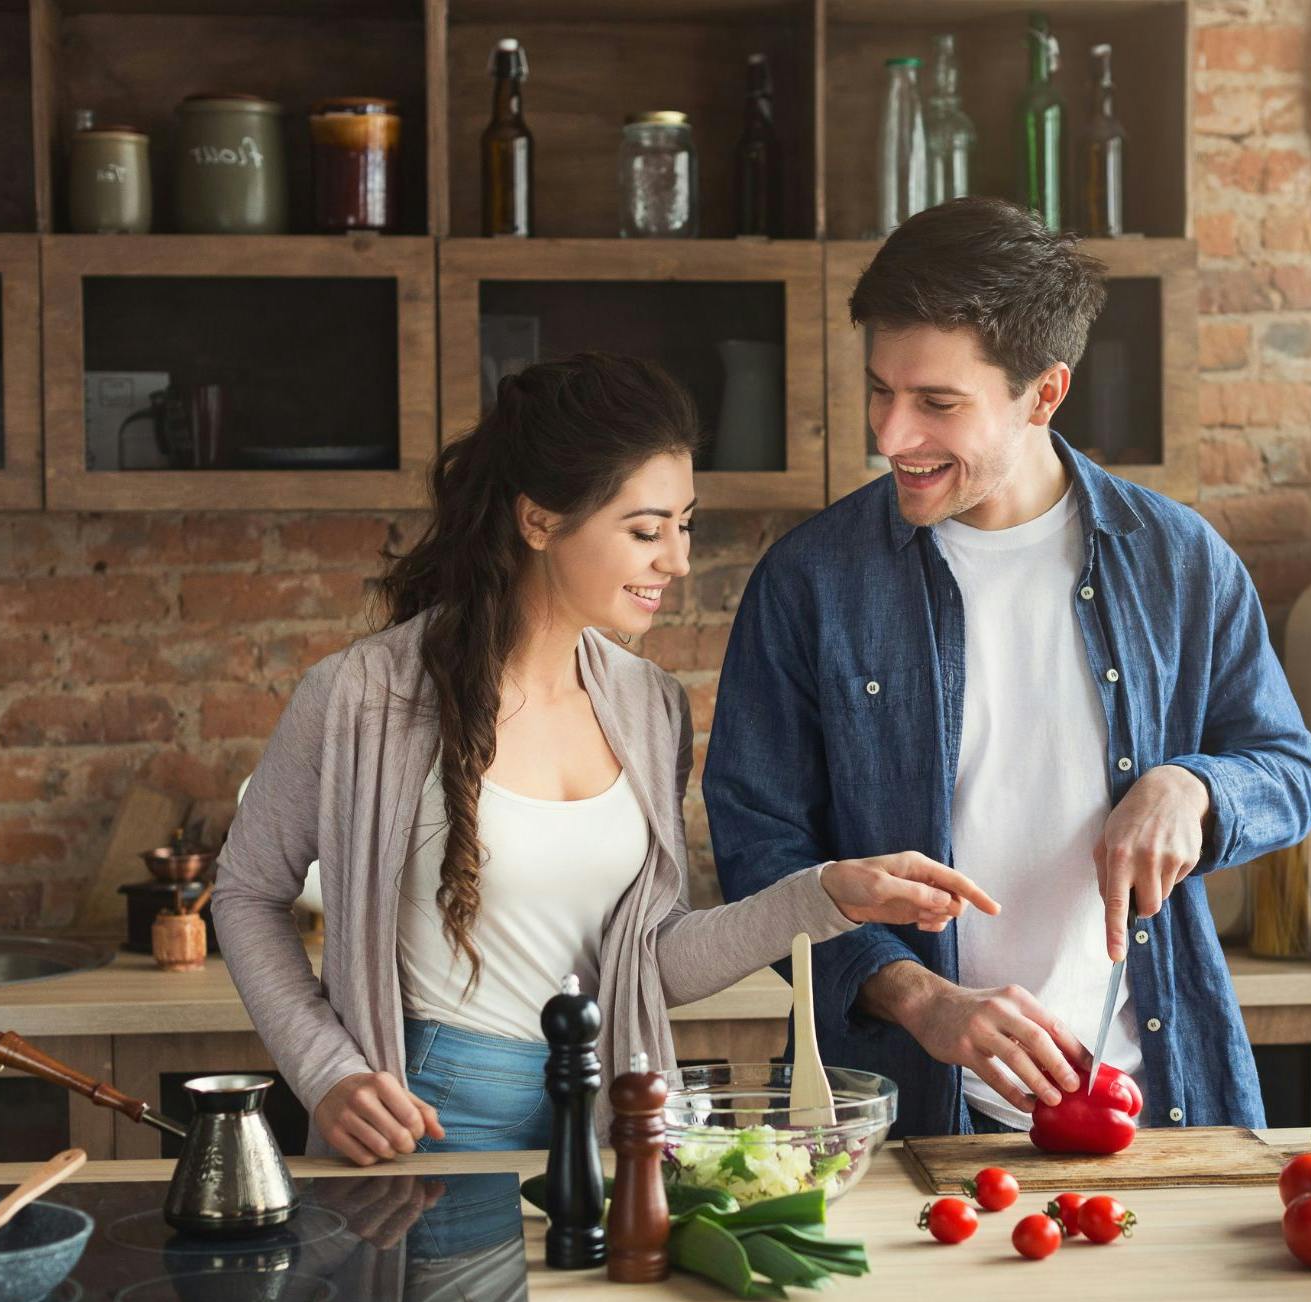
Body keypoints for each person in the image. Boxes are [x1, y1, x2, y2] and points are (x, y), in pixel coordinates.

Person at [214, 353, 995, 1164]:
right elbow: (245, 893)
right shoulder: (361, 696)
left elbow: (647, 963)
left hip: (612, 1119)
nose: (678, 560)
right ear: (540, 521)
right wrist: (326, 1071)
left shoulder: (648, 706)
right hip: (430, 1118)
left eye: (683, 524)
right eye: (645, 530)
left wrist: (825, 895)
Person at [704, 198, 1311, 1139]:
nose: (891, 435)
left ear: (1043, 394)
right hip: (903, 1115)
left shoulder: (1178, 562)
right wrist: (917, 997)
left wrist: (1191, 788)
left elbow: (1288, 771)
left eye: (937, 404)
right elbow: (760, 850)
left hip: (1152, 1102)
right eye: (880, 390)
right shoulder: (811, 582)